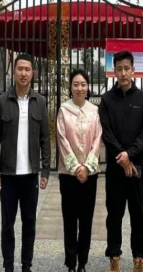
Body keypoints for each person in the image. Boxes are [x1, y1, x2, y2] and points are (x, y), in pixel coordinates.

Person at [0, 54, 51, 273]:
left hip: (30, 175)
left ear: (33, 73)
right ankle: (8, 265)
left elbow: (45, 138)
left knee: (29, 222)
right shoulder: (2, 102)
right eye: (20, 69)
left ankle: (26, 265)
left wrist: (45, 170)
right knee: (7, 224)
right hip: (8, 174)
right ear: (14, 72)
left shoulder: (40, 102)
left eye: (27, 69)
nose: (23, 73)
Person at [99, 51, 143, 273]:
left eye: (126, 69)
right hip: (115, 169)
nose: (123, 73)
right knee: (114, 215)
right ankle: (114, 257)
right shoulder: (106, 100)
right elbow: (106, 132)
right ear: (114, 71)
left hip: (137, 168)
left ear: (133, 71)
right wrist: (122, 158)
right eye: (119, 69)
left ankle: (139, 257)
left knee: (139, 214)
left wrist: (130, 155)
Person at [57, 70, 103, 273]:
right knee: (69, 219)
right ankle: (70, 262)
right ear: (70, 87)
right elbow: (62, 139)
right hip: (69, 175)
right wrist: (76, 167)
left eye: (83, 84)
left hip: (89, 174)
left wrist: (87, 167)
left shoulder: (94, 111)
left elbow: (98, 139)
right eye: (76, 84)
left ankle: (82, 262)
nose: (79, 88)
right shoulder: (63, 110)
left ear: (88, 87)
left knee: (86, 219)